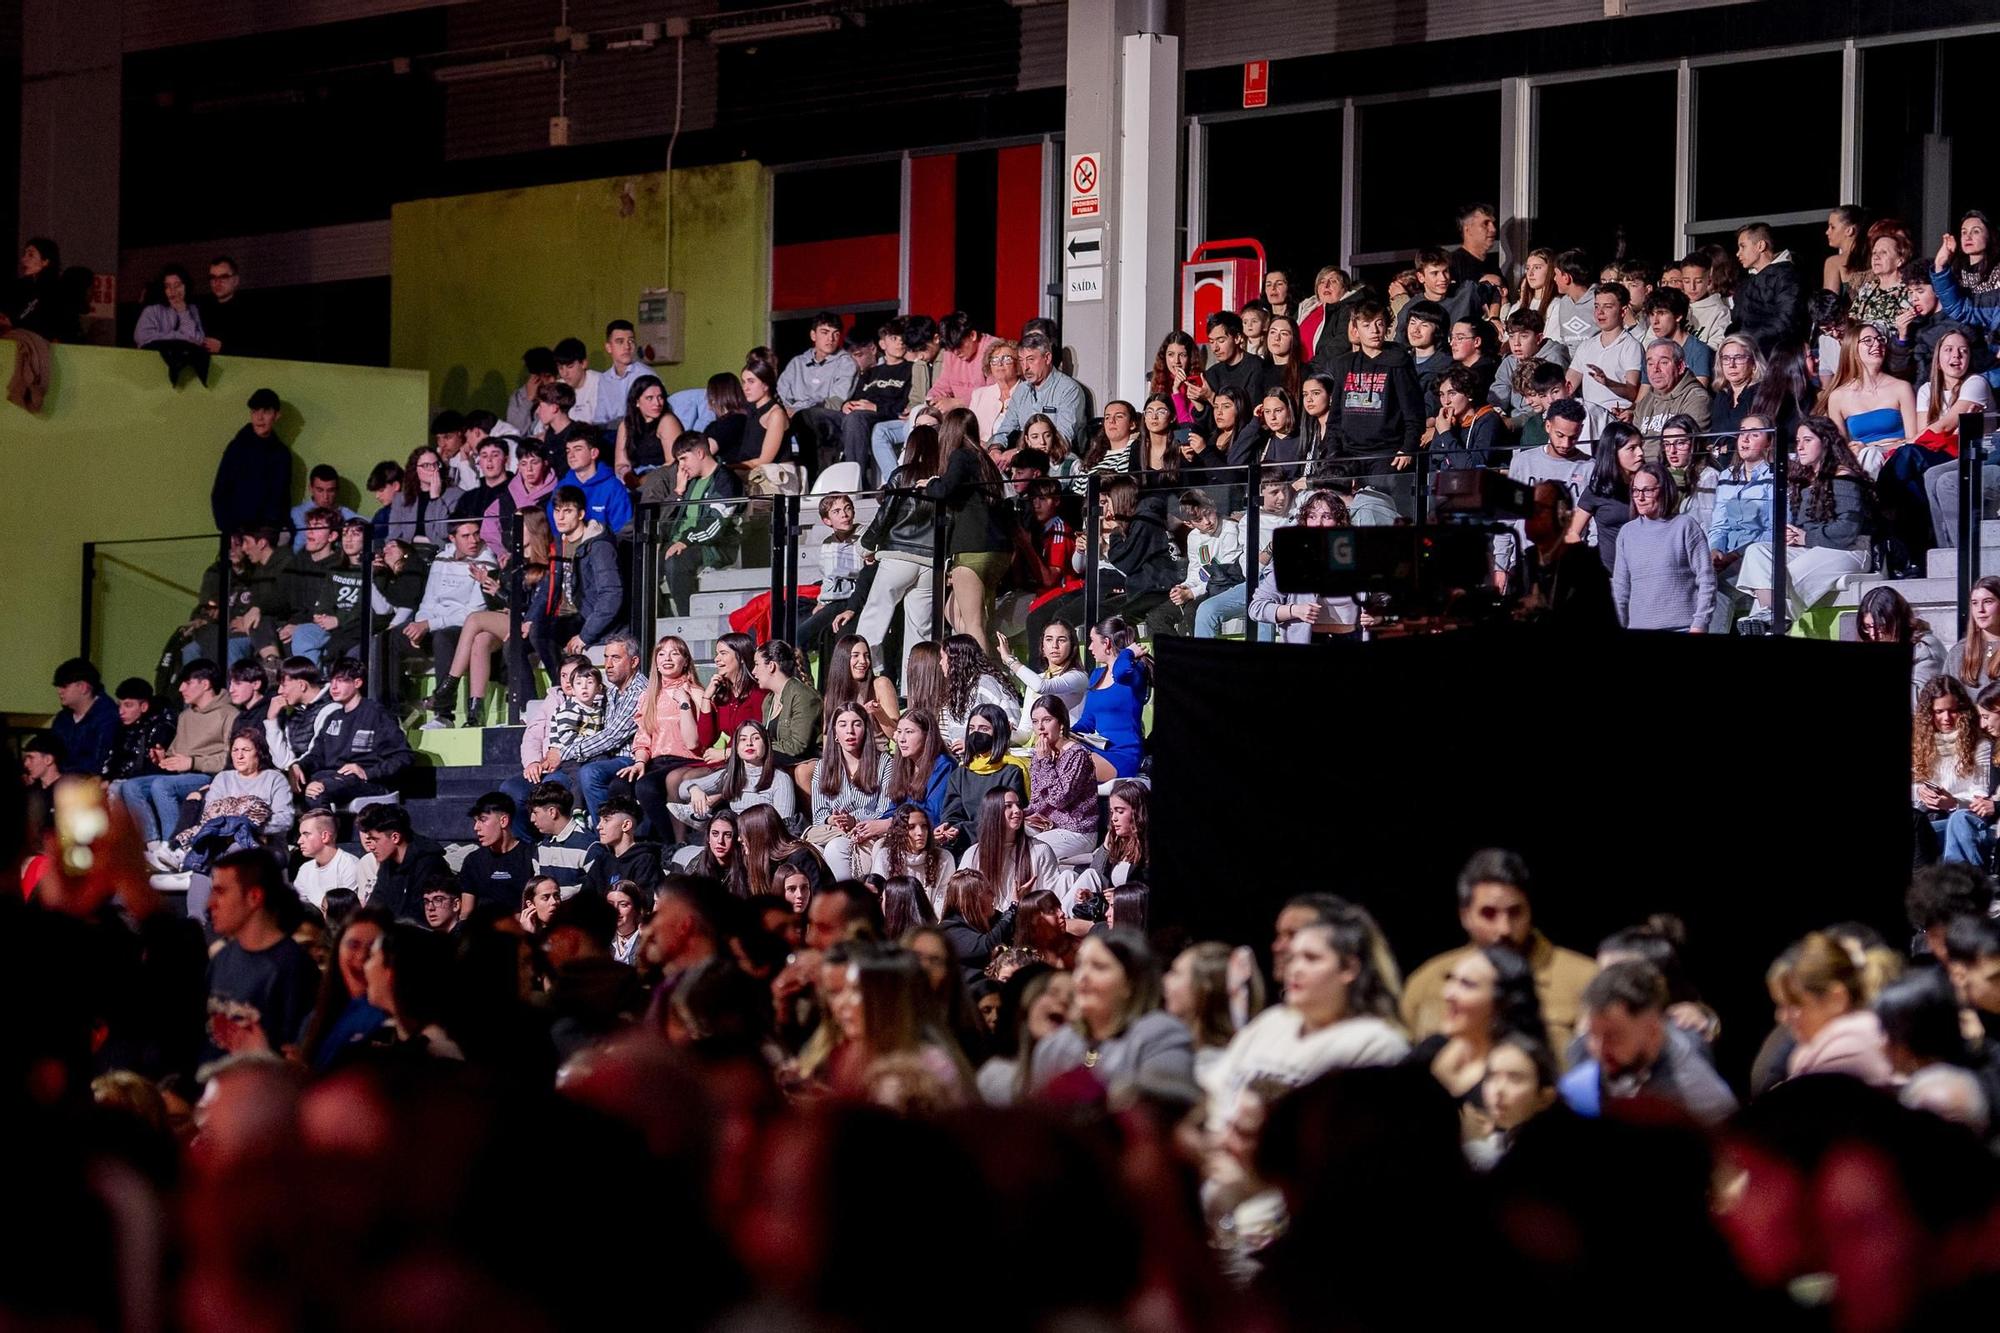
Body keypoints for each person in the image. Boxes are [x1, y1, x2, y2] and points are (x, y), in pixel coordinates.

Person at [1204, 907, 1409, 1129]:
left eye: (1311, 958)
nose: (1295, 969)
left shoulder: (1375, 1043)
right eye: (1292, 958)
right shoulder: (1272, 1022)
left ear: (1349, 968)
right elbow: (1211, 1092)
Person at [1402, 849, 1597, 1059]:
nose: (1504, 928)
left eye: (1515, 912)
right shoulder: (1427, 983)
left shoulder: (1585, 980)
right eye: (1489, 913)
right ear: (1465, 916)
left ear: (1530, 911)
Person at [1733, 416, 1873, 629]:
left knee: (1789, 572)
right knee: (1758, 551)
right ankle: (1769, 613)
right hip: (1815, 545)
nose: (1800, 446)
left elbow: (1847, 531)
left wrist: (1805, 536)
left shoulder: (1844, 477)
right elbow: (1807, 525)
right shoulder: (1805, 480)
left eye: (1807, 440)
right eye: (1798, 441)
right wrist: (1794, 535)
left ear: (1825, 442)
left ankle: (1771, 620)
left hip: (1848, 550)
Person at [1558, 960, 1738, 1125]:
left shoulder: (1699, 1099)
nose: (1598, 1048)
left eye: (1613, 1036)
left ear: (1653, 1030)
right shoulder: (1582, 1055)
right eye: (1591, 1034)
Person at [1029, 931, 1193, 1091]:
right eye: (1080, 965)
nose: (1082, 976)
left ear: (1131, 982)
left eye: (1099, 967)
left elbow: (1164, 1112)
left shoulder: (1161, 1035)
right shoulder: (1055, 1044)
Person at [120, 659, 240, 856]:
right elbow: (177, 751)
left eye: (187, 682)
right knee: (130, 786)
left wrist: (193, 762)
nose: (181, 688)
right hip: (180, 775)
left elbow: (230, 758)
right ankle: (153, 846)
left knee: (162, 786)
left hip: (208, 776)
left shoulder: (229, 714)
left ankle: (174, 846)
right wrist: (163, 757)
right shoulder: (185, 716)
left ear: (205, 684)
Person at [1768, 932, 1895, 1085]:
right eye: (1782, 1006)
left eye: (1795, 1004)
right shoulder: (1825, 1049)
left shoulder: (1845, 1053)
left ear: (1836, 999)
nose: (1782, 1017)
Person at [291, 658, 413, 807]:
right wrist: (299, 766)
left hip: (369, 782)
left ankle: (324, 830)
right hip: (331, 777)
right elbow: (317, 755)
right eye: (332, 681)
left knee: (318, 792)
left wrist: (368, 772)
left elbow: (403, 756)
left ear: (357, 683)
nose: (333, 687)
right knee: (280, 786)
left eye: (341, 681)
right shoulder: (332, 717)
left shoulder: (376, 714)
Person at [1612, 463, 1714, 633]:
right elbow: (1620, 590)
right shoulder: (1627, 533)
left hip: (1683, 627)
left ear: (1664, 490)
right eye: (1635, 491)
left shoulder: (1685, 526)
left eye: (1647, 490)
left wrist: (1700, 624)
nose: (1640, 497)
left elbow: (1706, 579)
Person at [657, 432, 746, 618]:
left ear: (699, 453)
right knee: (643, 563)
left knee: (676, 562)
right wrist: (679, 492)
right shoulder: (689, 482)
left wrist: (685, 540)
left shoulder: (724, 480)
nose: (681, 466)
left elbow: (715, 524)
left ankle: (687, 620)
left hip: (713, 546)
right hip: (680, 542)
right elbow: (663, 519)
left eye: (683, 459)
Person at [1911, 676, 1993, 866]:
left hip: (1962, 819)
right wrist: (1920, 792)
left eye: (1953, 711)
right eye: (1939, 711)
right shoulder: (1919, 743)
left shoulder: (1980, 745)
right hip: (1926, 818)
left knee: (1954, 823)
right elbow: (1914, 782)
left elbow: (1981, 795)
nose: (1946, 718)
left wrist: (1953, 803)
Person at [808, 703, 895, 881]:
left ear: (866, 729)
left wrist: (854, 820)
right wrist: (833, 819)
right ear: (835, 733)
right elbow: (818, 815)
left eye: (856, 724)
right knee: (810, 852)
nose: (850, 731)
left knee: (835, 848)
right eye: (843, 724)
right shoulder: (822, 766)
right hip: (833, 831)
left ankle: (847, 903)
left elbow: (885, 811)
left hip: (868, 834)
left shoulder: (885, 763)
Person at [210, 388, 293, 539]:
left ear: (277, 415)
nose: (260, 418)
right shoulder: (237, 448)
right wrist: (230, 530)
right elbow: (220, 491)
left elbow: (282, 498)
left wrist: (273, 528)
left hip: (267, 535)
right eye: (255, 411)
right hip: (236, 532)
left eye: (266, 411)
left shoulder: (282, 455)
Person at [1571, 420, 1645, 573]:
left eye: (1640, 446)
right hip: (1611, 576)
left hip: (1647, 573)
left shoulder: (1649, 483)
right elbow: (1572, 532)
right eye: (1632, 448)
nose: (1640, 453)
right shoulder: (1597, 490)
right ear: (1613, 452)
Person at [1858, 585, 1947, 710]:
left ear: (1896, 621)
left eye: (1880, 626)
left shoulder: (1925, 650)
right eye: (1867, 626)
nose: (1873, 634)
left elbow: (1923, 703)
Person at [1733, 222, 1810, 356]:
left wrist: (1750, 340)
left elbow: (1786, 320)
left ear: (1761, 246)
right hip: (1748, 356)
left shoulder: (1788, 277)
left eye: (1743, 247)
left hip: (1778, 358)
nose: (1738, 253)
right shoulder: (1746, 283)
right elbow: (1737, 320)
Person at [456, 793, 534, 917]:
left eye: (482, 820)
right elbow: (466, 912)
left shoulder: (531, 856)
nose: (476, 827)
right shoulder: (473, 861)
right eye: (475, 821)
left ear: (503, 821)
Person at [134, 263, 211, 384]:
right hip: (153, 370)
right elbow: (142, 338)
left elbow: (198, 339)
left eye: (177, 285)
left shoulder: (193, 309)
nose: (172, 291)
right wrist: (178, 337)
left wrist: (183, 311)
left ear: (186, 286)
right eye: (167, 286)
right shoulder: (152, 310)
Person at [525, 781, 601, 898]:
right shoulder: (542, 847)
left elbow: (598, 894)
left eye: (535, 812)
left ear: (552, 812)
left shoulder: (589, 847)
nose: (532, 819)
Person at [48, 657, 118, 776]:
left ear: (83, 687)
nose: (59, 691)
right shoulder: (62, 719)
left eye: (64, 686)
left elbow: (99, 762)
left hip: (88, 784)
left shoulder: (108, 717)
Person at [582, 798, 665, 896]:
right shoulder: (602, 861)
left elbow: (644, 904)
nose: (598, 826)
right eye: (600, 820)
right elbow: (584, 900)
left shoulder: (645, 861)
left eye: (606, 820)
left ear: (626, 825)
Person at [292, 808, 361, 908]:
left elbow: (347, 911)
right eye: (300, 835)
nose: (299, 841)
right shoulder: (305, 869)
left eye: (306, 834)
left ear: (325, 836)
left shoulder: (350, 865)